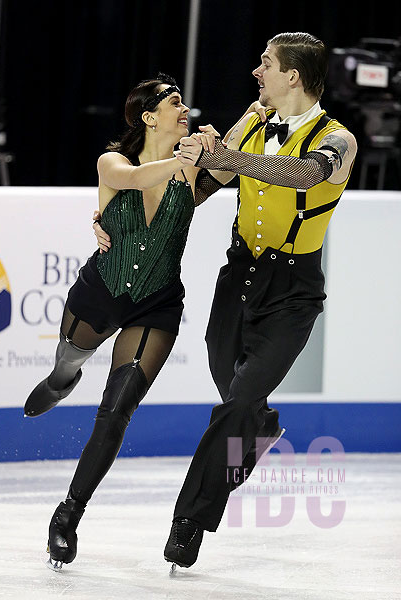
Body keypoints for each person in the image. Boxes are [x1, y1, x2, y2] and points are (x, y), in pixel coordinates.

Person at [93, 32, 357, 570]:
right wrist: (114, 215)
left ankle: (189, 520)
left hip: (292, 291)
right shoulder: (255, 124)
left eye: (266, 64)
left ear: (293, 76)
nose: (256, 72)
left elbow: (304, 175)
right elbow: (197, 190)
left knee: (236, 403)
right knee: (230, 385)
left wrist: (230, 154)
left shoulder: (339, 140)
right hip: (236, 280)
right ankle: (258, 429)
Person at [23, 73, 233, 571]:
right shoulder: (113, 162)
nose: (185, 108)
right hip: (101, 294)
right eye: (175, 102)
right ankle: (60, 380)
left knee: (116, 411)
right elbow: (138, 179)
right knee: (67, 361)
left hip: (155, 306)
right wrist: (190, 155)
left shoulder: (191, 170)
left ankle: (67, 515)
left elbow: (231, 162)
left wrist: (243, 125)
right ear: (148, 116)